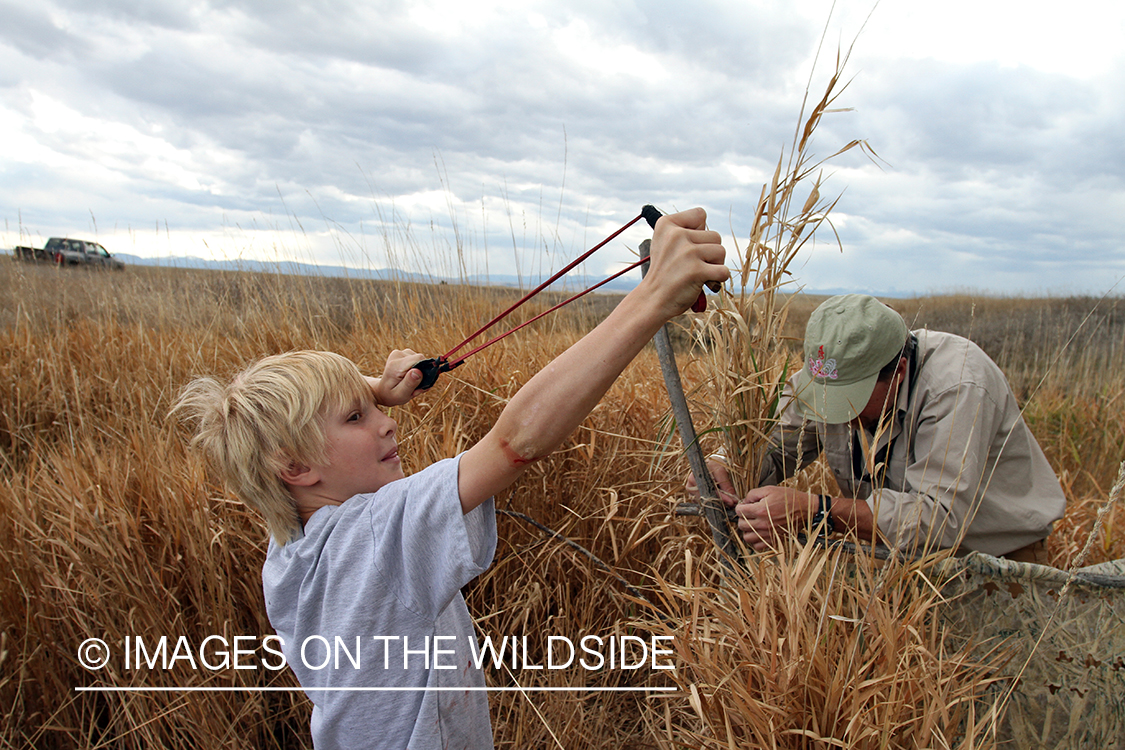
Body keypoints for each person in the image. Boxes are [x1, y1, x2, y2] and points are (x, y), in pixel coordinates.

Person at [174, 208, 728, 750]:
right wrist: (651, 300)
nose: (388, 420)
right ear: (295, 467)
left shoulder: (291, 543)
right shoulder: (376, 536)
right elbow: (515, 444)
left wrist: (369, 386)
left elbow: (266, 418)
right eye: (356, 417)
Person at [688, 294, 1065, 564]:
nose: (833, 414)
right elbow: (773, 448)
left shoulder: (958, 385)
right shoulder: (826, 374)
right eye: (826, 398)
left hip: (994, 561)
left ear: (898, 373)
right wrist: (725, 465)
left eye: (848, 400)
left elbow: (939, 520)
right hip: (891, 555)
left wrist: (817, 511)